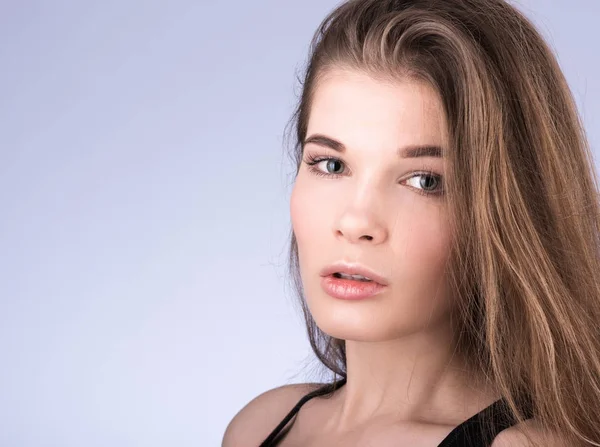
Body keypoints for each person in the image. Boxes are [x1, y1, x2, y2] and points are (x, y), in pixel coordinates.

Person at [223, 0, 600, 445]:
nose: (356, 221)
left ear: (506, 214)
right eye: (330, 165)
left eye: (423, 181)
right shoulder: (260, 427)